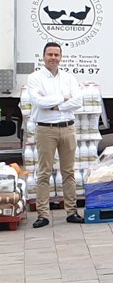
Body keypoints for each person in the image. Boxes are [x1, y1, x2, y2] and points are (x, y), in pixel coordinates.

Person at [26, 41, 83, 227]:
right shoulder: (35, 78)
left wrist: (57, 105)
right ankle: (43, 215)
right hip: (46, 129)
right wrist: (63, 98)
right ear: (43, 56)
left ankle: (72, 212)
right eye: (50, 54)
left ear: (61, 57)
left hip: (67, 128)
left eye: (56, 55)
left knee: (69, 172)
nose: (53, 58)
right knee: (44, 172)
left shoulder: (68, 78)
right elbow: (38, 102)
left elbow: (78, 101)